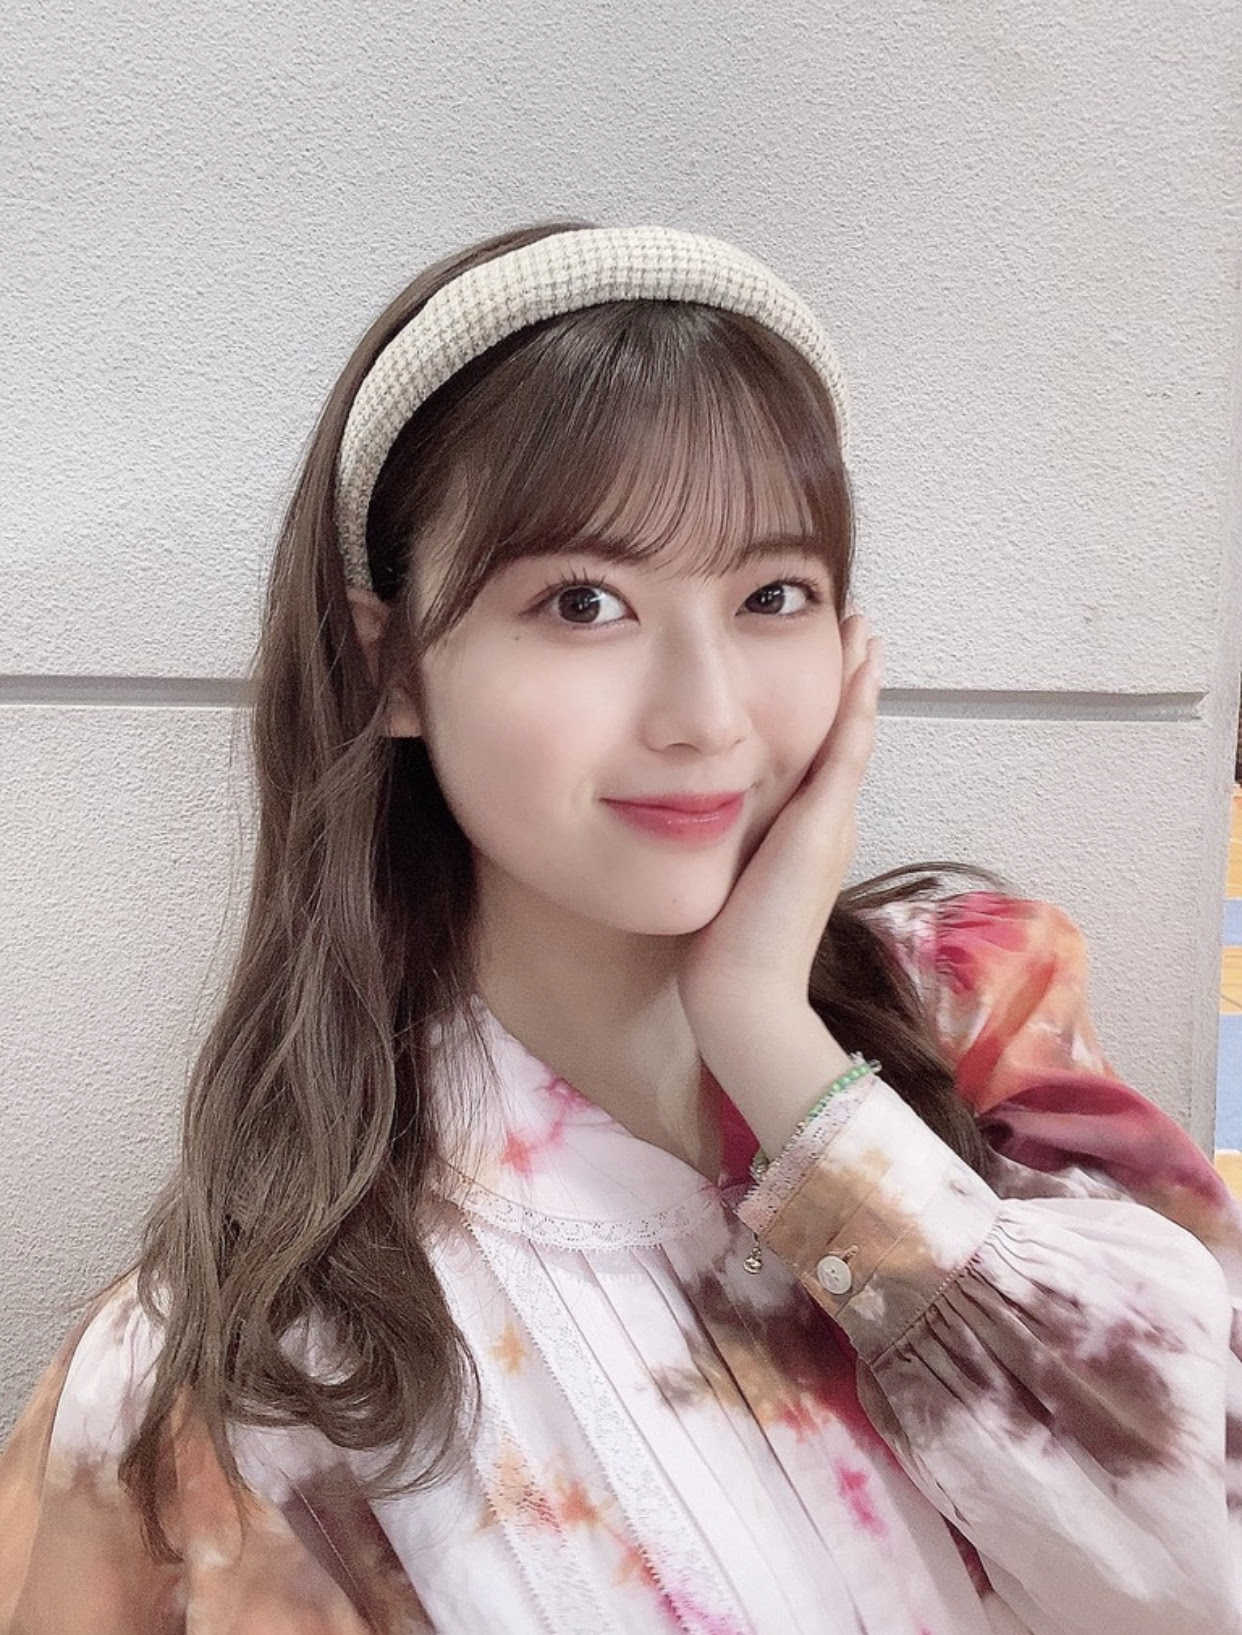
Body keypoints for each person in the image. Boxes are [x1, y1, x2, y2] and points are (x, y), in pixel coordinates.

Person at [0, 220, 1238, 1635]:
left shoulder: (973, 1014)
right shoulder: (228, 1398)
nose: (704, 714)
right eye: (583, 603)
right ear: (386, 662)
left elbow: (1194, 1572)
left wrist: (784, 1061)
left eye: (772, 596)